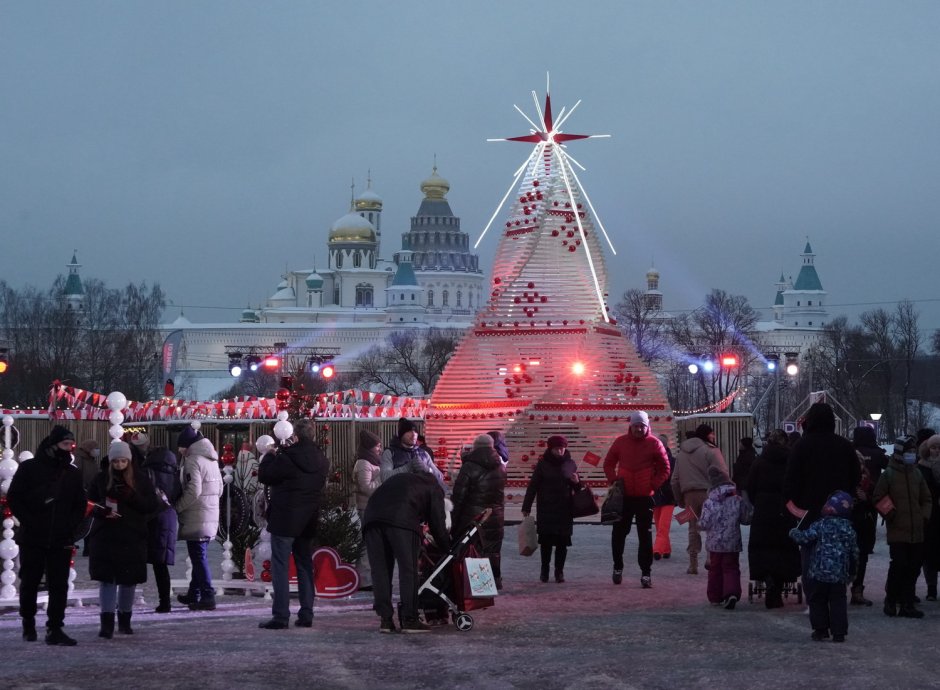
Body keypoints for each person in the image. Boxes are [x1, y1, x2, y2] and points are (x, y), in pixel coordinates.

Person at [7, 425, 86, 645]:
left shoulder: (73, 474)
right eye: (64, 444)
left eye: (71, 445)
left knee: (59, 584)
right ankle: (28, 623)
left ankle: (55, 628)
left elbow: (79, 504)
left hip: (61, 537)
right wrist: (30, 521)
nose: (68, 448)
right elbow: (15, 497)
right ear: (53, 445)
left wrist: (69, 526)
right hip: (33, 535)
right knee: (30, 581)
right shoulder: (30, 468)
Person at [257, 418, 330, 629]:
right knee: (305, 564)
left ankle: (281, 615)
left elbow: (265, 476)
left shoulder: (287, 457)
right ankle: (306, 613)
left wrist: (269, 456)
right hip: (308, 519)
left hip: (285, 519)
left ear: (295, 436)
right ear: (313, 435)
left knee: (280, 566)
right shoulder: (322, 460)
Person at [784, 403, 860, 604]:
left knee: (809, 554)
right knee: (838, 552)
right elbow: (855, 477)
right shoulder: (844, 446)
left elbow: (791, 479)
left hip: (808, 511)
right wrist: (847, 499)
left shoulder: (802, 445)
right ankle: (836, 596)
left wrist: (795, 507)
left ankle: (814, 600)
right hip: (839, 511)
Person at [87, 441, 162, 638]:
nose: (120, 465)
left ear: (129, 460)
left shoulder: (141, 479)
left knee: (128, 581)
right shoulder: (101, 478)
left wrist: (132, 497)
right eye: (116, 461)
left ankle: (125, 620)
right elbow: (89, 503)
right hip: (106, 536)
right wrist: (102, 511)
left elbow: (151, 505)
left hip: (132, 536)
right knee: (108, 581)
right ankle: (107, 623)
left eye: (123, 461)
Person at [363, 471, 450, 633]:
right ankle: (410, 619)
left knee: (380, 571)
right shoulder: (435, 488)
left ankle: (386, 620)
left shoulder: (404, 479)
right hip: (401, 521)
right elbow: (438, 525)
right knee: (408, 570)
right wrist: (448, 548)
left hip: (371, 519)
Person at [602, 411, 670, 588]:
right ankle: (618, 567)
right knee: (618, 534)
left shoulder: (654, 443)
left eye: (642, 426)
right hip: (623, 497)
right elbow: (608, 463)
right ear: (630, 426)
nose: (639, 429)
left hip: (644, 498)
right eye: (636, 426)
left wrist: (653, 484)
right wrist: (614, 479)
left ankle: (646, 573)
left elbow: (665, 468)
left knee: (645, 537)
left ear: (647, 426)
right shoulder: (620, 442)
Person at [788, 491, 859, 642]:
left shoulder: (820, 525)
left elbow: (805, 538)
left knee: (817, 600)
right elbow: (854, 553)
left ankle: (820, 630)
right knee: (838, 601)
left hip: (819, 573)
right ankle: (839, 632)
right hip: (839, 575)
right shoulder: (849, 529)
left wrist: (794, 533)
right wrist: (852, 571)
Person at [874, 435, 932, 618]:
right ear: (900, 453)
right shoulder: (889, 475)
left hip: (917, 530)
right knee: (899, 565)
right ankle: (891, 600)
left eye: (914, 452)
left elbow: (926, 498)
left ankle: (907, 603)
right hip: (898, 530)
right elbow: (878, 497)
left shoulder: (916, 474)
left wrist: (923, 516)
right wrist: (891, 514)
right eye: (909, 451)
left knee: (913, 567)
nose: (912, 455)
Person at [746, 429, 800, 609]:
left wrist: (759, 502)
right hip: (785, 510)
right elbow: (796, 485)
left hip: (763, 510)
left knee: (764, 547)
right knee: (783, 547)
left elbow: (750, 487)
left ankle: (767, 577)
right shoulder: (791, 461)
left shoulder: (759, 462)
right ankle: (779, 583)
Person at [173, 423, 223, 611]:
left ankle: (208, 595)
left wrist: (177, 507)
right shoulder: (211, 459)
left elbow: (193, 491)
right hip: (209, 514)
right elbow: (220, 489)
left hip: (197, 515)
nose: (179, 451)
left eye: (180, 447)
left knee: (198, 557)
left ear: (186, 445)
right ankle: (194, 593)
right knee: (198, 556)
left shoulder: (193, 460)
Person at [133, 432, 182, 613]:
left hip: (150, 516)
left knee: (138, 558)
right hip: (168, 517)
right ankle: (165, 601)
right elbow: (178, 493)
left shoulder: (146, 471)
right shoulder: (175, 473)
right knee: (160, 564)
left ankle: (131, 596)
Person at [671, 423, 728, 575]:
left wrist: (680, 499)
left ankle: (693, 563)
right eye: (712, 433)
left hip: (689, 495)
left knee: (692, 528)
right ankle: (710, 557)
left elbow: (674, 480)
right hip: (710, 494)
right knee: (711, 526)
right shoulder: (711, 451)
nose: (714, 436)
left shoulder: (681, 453)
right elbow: (723, 473)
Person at [521, 435, 580, 584]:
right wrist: (526, 506)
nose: (560, 451)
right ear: (550, 448)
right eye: (557, 448)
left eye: (562, 448)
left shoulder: (570, 463)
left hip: (564, 509)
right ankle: (544, 570)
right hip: (546, 509)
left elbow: (577, 487)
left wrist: (577, 482)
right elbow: (533, 486)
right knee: (546, 543)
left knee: (562, 543)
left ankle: (559, 571)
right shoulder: (542, 464)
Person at [451, 434, 507, 589]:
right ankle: (495, 579)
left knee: (475, 549)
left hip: (474, 516)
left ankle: (481, 585)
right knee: (493, 549)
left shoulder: (469, 467)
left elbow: (459, 496)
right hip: (495, 515)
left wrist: (453, 519)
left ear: (475, 447)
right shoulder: (501, 466)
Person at [698, 466, 748, 609]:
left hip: (715, 543)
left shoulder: (709, 503)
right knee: (731, 567)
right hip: (732, 542)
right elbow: (745, 518)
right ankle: (731, 592)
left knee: (715, 569)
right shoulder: (736, 499)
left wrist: (698, 523)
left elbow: (705, 523)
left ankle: (715, 596)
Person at [849, 425, 887, 606]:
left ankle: (840, 587)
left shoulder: (848, 451)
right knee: (863, 550)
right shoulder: (878, 453)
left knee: (846, 549)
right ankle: (857, 589)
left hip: (847, 508)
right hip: (869, 506)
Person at [353, 429, 383, 590]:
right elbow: (365, 487)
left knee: (373, 542)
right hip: (366, 507)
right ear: (369, 447)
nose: (379, 448)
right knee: (367, 542)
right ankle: (364, 579)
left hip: (375, 506)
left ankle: (370, 576)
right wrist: (382, 479)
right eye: (377, 446)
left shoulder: (373, 460)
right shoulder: (363, 462)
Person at [380, 418, 445, 491]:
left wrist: (427, 469)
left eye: (416, 432)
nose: (414, 434)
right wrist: (408, 467)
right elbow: (385, 478)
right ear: (401, 434)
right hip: (400, 498)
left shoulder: (423, 453)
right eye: (409, 431)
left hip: (422, 498)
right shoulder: (390, 453)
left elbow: (440, 477)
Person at [918, 434, 940, 601]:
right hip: (929, 516)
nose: (936, 451)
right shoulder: (921, 467)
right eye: (933, 447)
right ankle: (931, 588)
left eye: (939, 448)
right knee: (929, 553)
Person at [652, 433, 677, 561]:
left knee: (663, 526)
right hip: (657, 496)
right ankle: (666, 549)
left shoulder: (672, 461)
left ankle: (657, 550)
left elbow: (673, 478)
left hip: (667, 496)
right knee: (659, 525)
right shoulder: (653, 460)